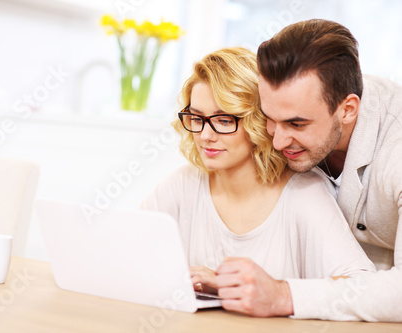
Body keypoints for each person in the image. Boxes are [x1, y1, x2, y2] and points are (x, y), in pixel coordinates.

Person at [141, 47, 374, 302]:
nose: (205, 135)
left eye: (224, 120)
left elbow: (362, 284)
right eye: (197, 118)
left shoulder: (303, 192)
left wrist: (267, 290)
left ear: (258, 121)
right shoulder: (183, 184)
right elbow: (125, 251)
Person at [214, 19, 402, 322]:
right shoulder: (298, 120)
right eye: (270, 118)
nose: (277, 140)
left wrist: (283, 296)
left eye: (296, 124)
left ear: (348, 109)